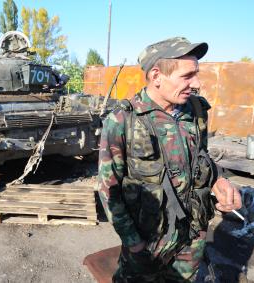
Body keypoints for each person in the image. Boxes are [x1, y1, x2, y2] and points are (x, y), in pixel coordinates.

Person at [98, 37, 242, 282]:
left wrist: (220, 181)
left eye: (196, 74)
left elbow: (201, 157)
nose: (196, 83)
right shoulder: (124, 120)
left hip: (192, 238)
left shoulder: (196, 111)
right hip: (148, 243)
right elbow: (108, 189)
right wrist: (134, 244)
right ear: (156, 77)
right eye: (187, 76)